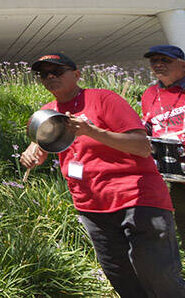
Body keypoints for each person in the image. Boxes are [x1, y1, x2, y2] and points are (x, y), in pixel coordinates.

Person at [19, 52, 185, 297]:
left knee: (159, 277)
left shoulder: (103, 99)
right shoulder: (47, 112)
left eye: (57, 71)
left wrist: (91, 131)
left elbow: (142, 146)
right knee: (122, 278)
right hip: (92, 208)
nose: (50, 77)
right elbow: (44, 145)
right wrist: (33, 152)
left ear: (76, 74)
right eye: (44, 74)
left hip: (137, 199)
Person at [139, 44, 185, 237]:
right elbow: (148, 124)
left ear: (183, 65)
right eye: (154, 61)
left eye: (165, 60)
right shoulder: (150, 94)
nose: (158, 64)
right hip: (173, 171)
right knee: (182, 222)